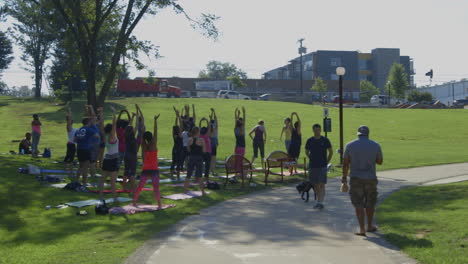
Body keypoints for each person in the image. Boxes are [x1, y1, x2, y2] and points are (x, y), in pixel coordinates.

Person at [342, 125, 383, 236]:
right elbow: (380, 161)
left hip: (356, 178)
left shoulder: (350, 145)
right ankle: (369, 225)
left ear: (358, 133)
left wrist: (344, 178)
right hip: (370, 178)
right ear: (368, 134)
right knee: (370, 202)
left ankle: (361, 229)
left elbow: (345, 163)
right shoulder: (376, 145)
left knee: (358, 203)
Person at [133, 114, 163, 209]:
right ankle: (159, 204)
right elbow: (156, 132)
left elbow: (141, 133)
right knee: (156, 188)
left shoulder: (143, 145)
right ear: (151, 138)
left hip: (145, 169)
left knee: (140, 186)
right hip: (154, 169)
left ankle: (134, 202)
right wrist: (155, 121)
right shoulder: (153, 145)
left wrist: (140, 123)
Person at [305, 124, 333, 209]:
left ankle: (320, 202)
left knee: (322, 184)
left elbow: (330, 152)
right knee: (315, 184)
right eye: (315, 130)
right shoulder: (310, 140)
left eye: (318, 130)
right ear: (313, 130)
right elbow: (306, 151)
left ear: (320, 130)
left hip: (322, 166)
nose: (317, 131)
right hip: (313, 165)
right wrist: (311, 158)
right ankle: (318, 201)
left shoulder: (325, 140)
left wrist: (327, 162)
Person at [99, 107, 119, 201]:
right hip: (113, 159)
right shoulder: (111, 136)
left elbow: (101, 125)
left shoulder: (104, 136)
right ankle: (115, 197)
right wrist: (114, 113)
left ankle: (101, 195)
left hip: (106, 158)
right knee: (112, 181)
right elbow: (114, 124)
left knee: (103, 179)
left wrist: (101, 113)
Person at [74, 116, 99, 185]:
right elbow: (97, 136)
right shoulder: (89, 129)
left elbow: (75, 140)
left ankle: (76, 180)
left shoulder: (78, 130)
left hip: (79, 149)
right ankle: (84, 182)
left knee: (80, 166)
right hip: (86, 149)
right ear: (88, 122)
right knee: (85, 167)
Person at [183, 126, 206, 195]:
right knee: (199, 175)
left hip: (191, 158)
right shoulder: (201, 140)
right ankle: (203, 191)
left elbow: (188, 149)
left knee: (188, 175)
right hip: (199, 158)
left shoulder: (190, 140)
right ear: (198, 132)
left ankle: (185, 190)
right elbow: (204, 151)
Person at [122, 111, 138, 191]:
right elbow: (136, 126)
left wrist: (132, 117)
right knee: (132, 173)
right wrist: (137, 116)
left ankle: (124, 187)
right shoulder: (132, 136)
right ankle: (133, 188)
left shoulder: (126, 135)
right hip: (132, 156)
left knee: (126, 171)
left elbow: (129, 126)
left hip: (126, 155)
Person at [170, 107, 184, 180]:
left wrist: (176, 116)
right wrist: (178, 116)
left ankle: (172, 175)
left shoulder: (174, 134)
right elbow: (181, 124)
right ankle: (178, 176)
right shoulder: (180, 134)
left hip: (174, 149)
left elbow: (176, 125)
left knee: (173, 162)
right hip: (179, 150)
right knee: (178, 163)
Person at [64, 108, 77, 175]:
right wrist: (69, 112)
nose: (72, 120)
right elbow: (68, 120)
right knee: (71, 157)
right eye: (71, 120)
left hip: (72, 144)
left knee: (69, 156)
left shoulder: (73, 128)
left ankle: (66, 168)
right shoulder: (69, 128)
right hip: (71, 144)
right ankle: (70, 170)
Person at [199, 118, 212, 183]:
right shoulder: (207, 135)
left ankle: (200, 179)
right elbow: (209, 127)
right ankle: (207, 180)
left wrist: (201, 121)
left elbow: (199, 128)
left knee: (201, 166)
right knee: (207, 167)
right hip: (208, 153)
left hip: (202, 152)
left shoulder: (199, 136)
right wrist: (207, 120)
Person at [234, 107, 246, 174]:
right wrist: (244, 113)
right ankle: (240, 172)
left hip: (237, 147)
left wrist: (236, 114)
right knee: (241, 160)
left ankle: (236, 172)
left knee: (236, 160)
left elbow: (236, 121)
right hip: (242, 147)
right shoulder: (242, 130)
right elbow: (243, 122)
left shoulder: (235, 129)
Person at [208, 108, 218, 176]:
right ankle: (213, 171)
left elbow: (209, 122)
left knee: (209, 159)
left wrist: (211, 115)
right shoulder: (215, 131)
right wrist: (214, 112)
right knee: (213, 159)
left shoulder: (208, 132)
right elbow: (216, 120)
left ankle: (208, 171)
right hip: (214, 146)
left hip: (209, 146)